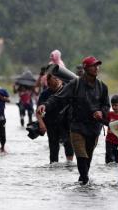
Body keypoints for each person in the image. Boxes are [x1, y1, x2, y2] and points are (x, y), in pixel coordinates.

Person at [37, 56, 110, 185]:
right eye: (93, 65)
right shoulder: (75, 84)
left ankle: (83, 181)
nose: (96, 68)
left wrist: (101, 112)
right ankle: (84, 183)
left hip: (94, 128)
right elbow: (58, 98)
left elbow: (106, 105)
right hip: (77, 126)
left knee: (88, 158)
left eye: (97, 65)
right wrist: (45, 105)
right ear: (86, 68)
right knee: (81, 155)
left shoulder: (102, 87)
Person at [36, 71, 74, 164]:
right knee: (53, 148)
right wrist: (41, 124)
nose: (56, 79)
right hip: (51, 123)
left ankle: (69, 164)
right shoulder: (45, 94)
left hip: (66, 123)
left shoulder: (67, 89)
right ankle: (53, 167)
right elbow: (38, 111)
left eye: (57, 78)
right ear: (48, 82)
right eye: (54, 78)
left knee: (69, 145)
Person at [105, 95, 118, 164]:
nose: (114, 107)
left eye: (116, 105)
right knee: (109, 160)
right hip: (109, 141)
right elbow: (105, 122)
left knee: (117, 161)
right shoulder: (109, 114)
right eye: (112, 105)